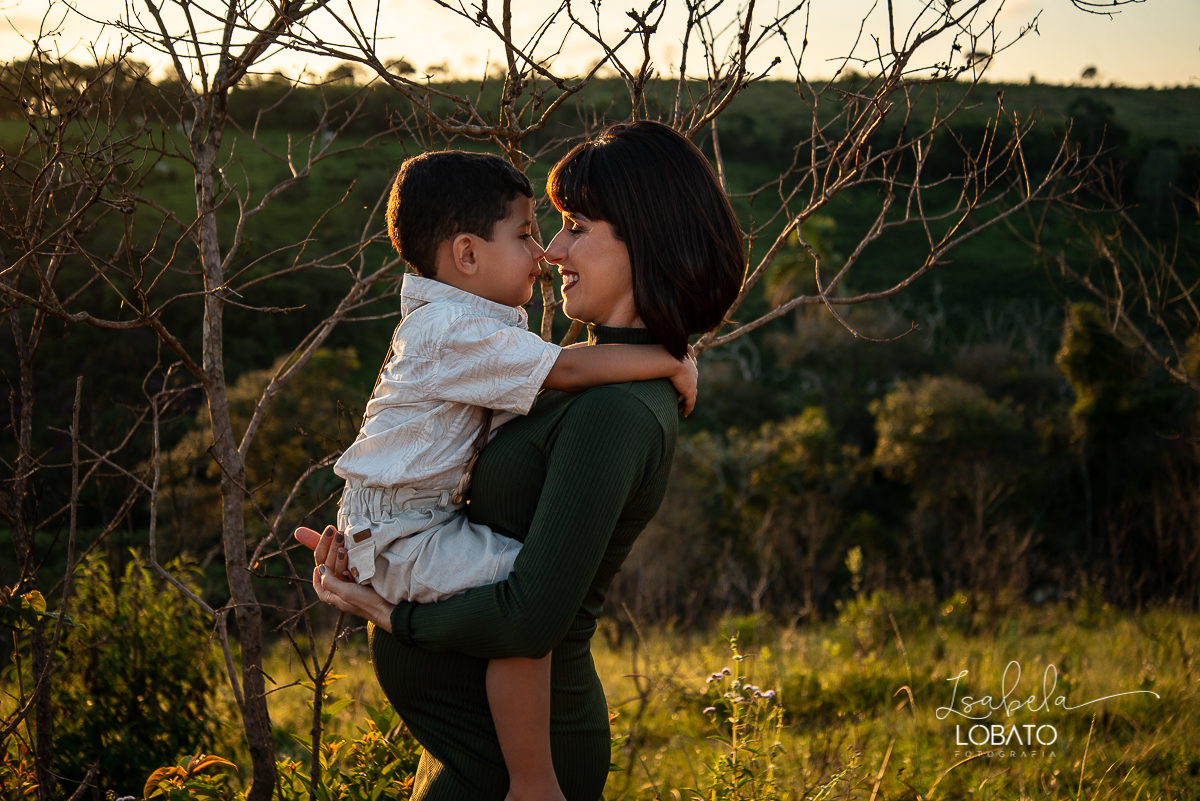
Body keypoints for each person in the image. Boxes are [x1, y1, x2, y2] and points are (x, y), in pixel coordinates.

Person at [296, 120, 743, 801]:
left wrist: (387, 610)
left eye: (575, 227)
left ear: (642, 239)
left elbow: (528, 615)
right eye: (544, 229)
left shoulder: (613, 412)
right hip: (472, 745)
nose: (552, 252)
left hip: (522, 770)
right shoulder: (570, 374)